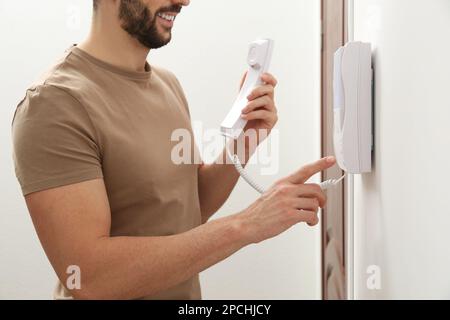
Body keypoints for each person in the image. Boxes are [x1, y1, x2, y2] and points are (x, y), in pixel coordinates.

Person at [11, 0, 336, 300]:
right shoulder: (54, 104)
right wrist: (248, 224)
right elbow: (89, 277)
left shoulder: (168, 84)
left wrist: (245, 139)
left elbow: (189, 207)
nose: (184, 0)